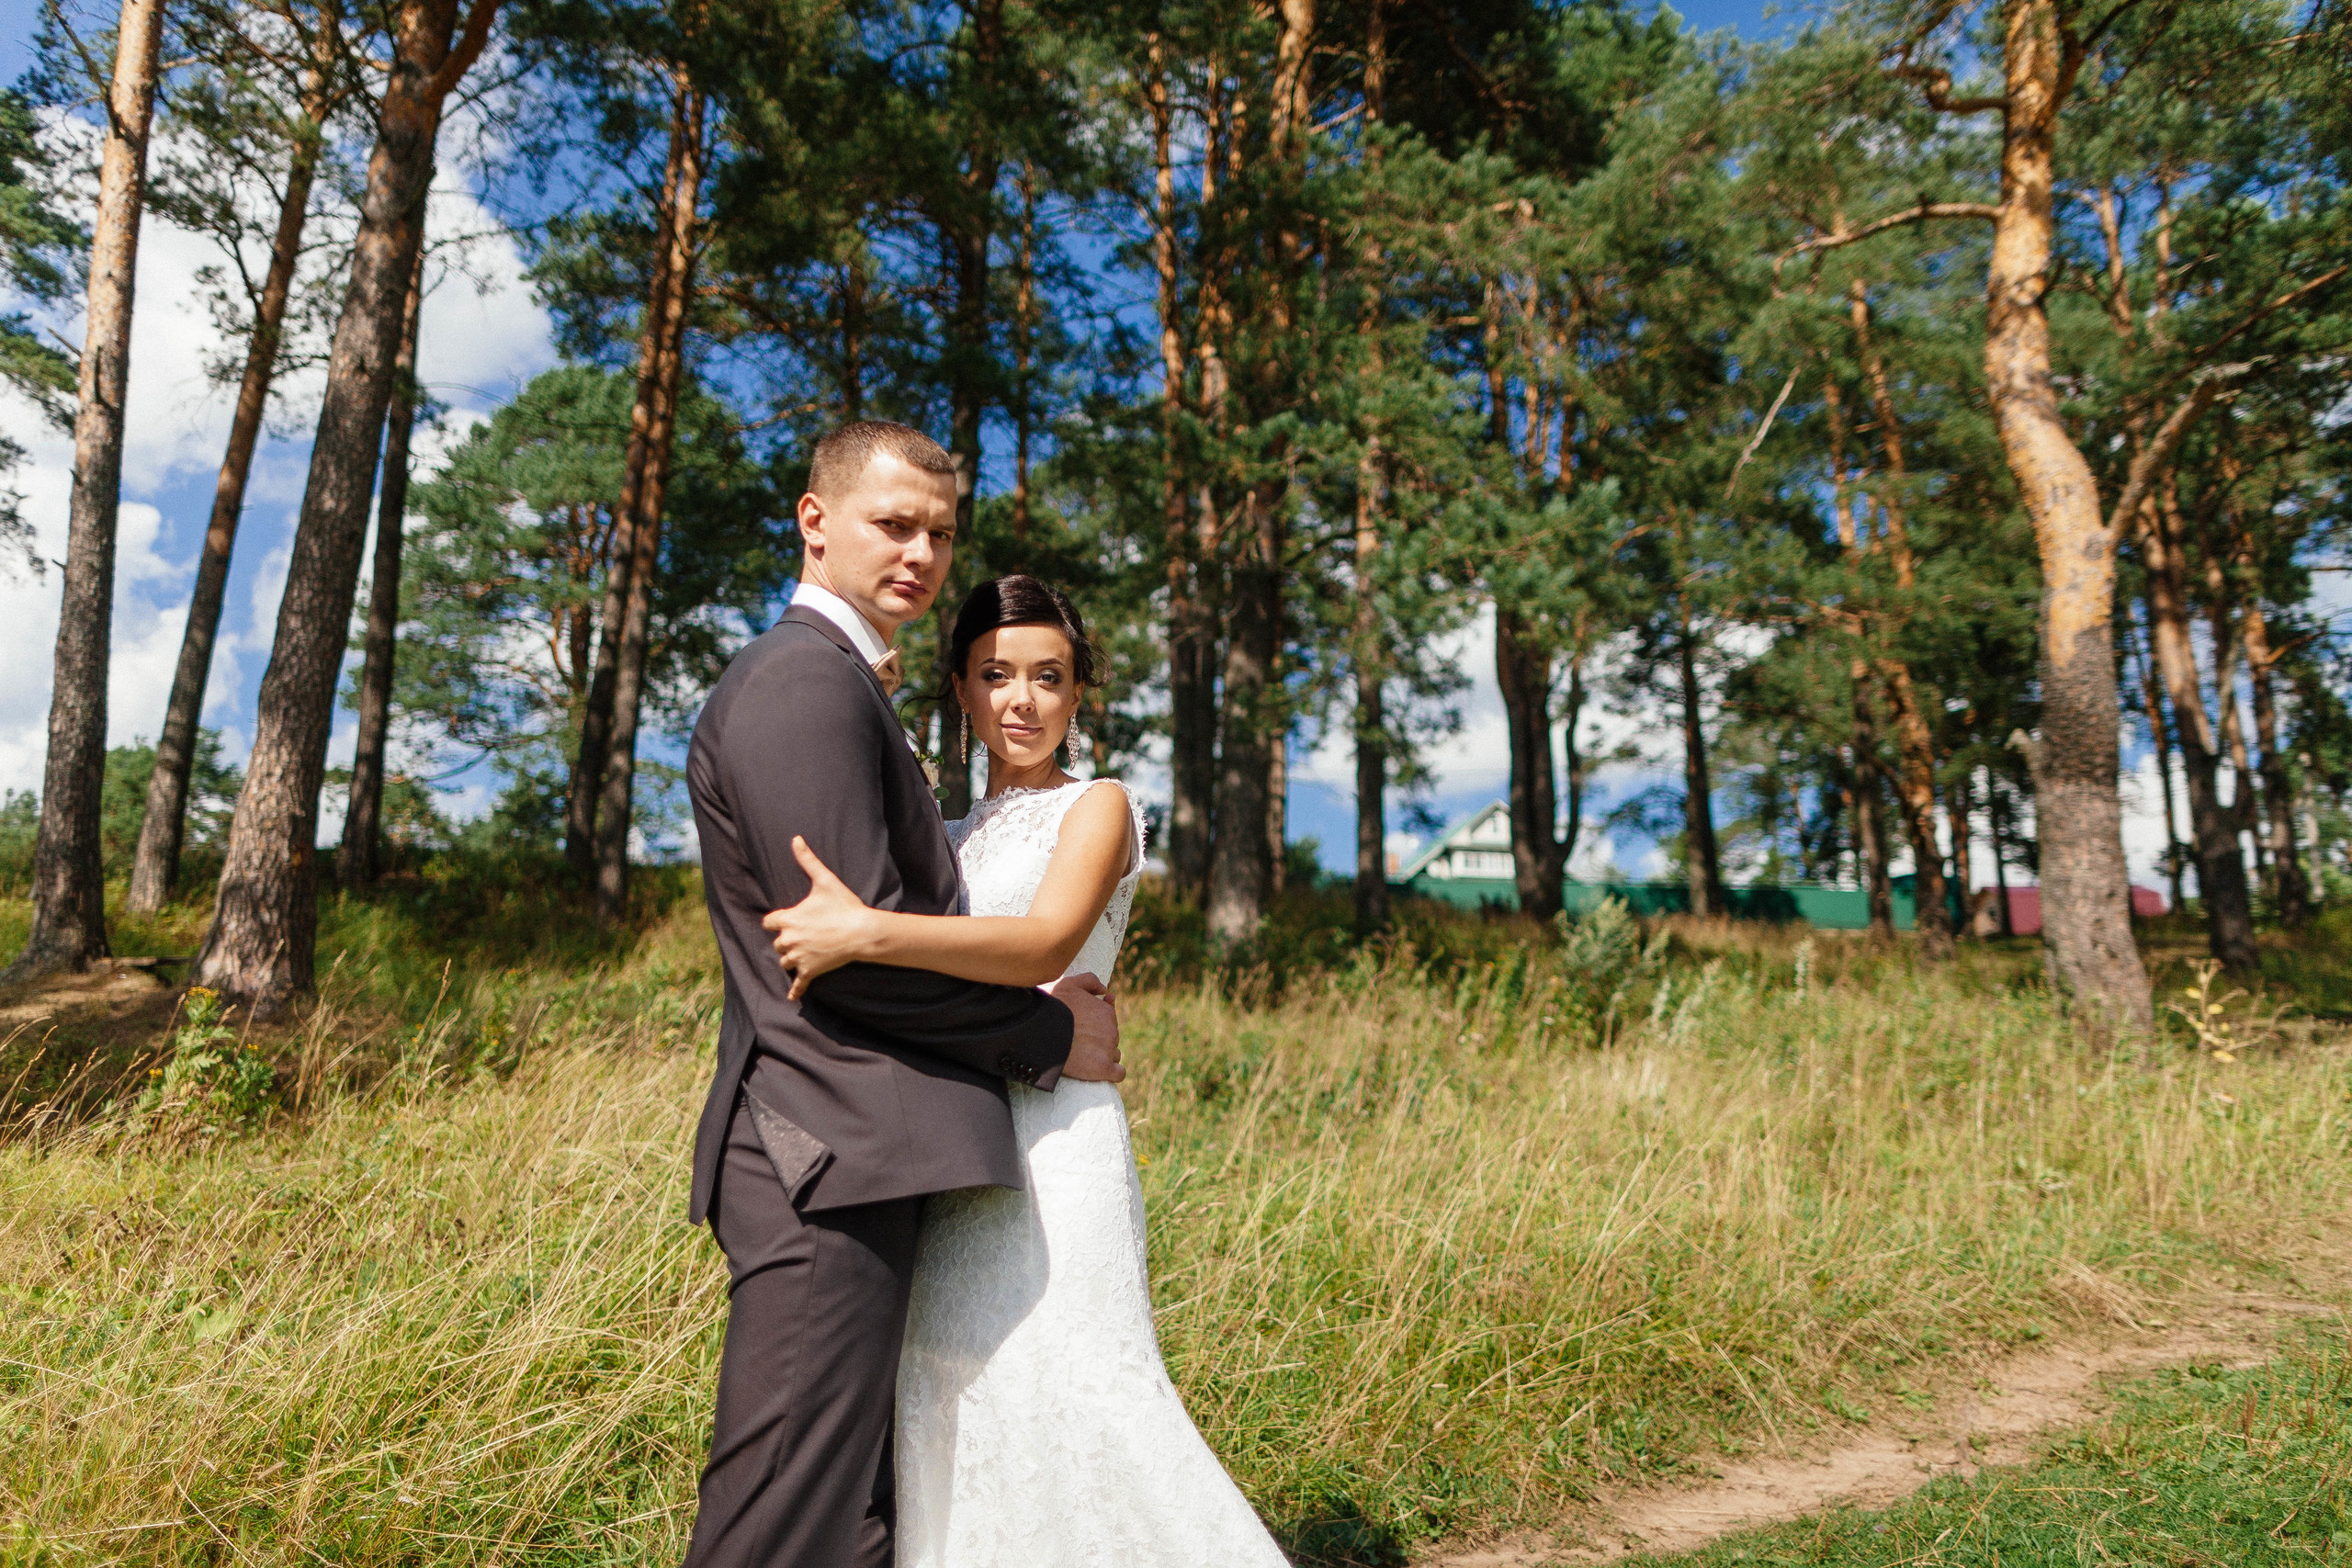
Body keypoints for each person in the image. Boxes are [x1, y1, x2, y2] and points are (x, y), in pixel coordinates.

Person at [764, 573, 1293, 1568]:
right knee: (962, 1393)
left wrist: (866, 935)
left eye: (1048, 677)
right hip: (958, 1135)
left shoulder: (1100, 806)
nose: (1021, 700)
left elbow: (1043, 939)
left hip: (1062, 1143)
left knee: (1084, 1384)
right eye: (995, 674)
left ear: (1079, 691)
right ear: (960, 688)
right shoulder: (944, 835)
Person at [681, 423, 1126, 1568]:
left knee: (857, 1512)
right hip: (824, 1147)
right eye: (892, 525)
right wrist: (1047, 1031)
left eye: (938, 530)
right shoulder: (800, 686)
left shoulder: (837, 684)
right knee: (787, 1522)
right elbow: (849, 955)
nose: (921, 553)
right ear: (814, 520)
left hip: (856, 1151)